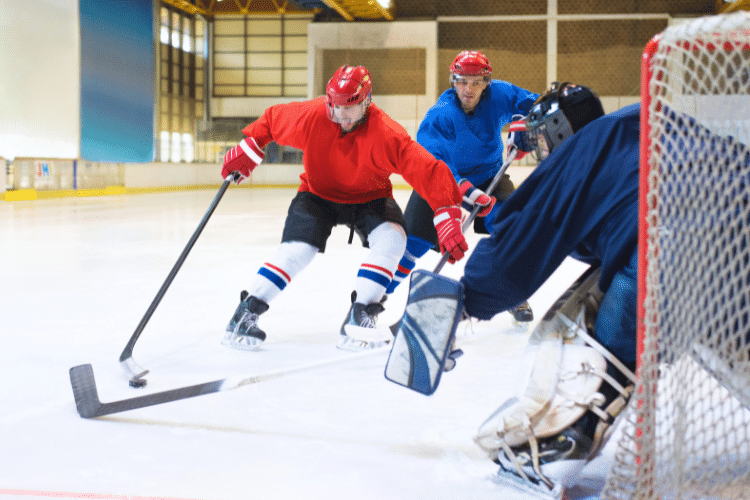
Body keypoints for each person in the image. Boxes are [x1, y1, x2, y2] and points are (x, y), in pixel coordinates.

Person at [219, 65, 493, 352]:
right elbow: (273, 120)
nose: (342, 115)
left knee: (393, 239)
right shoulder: (312, 115)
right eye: (335, 106)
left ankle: (360, 315)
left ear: (366, 102)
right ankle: (245, 312)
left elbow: (427, 170)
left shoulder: (386, 132)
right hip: (317, 194)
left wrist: (446, 210)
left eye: (350, 107)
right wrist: (251, 144)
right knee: (297, 251)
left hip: (369, 198)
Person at [455, 82, 640, 495]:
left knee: (592, 323)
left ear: (559, 128)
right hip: (733, 249)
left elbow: (517, 253)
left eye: (541, 134)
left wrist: (464, 300)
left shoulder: (584, 149)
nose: (538, 146)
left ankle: (557, 449)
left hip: (670, 251)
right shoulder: (635, 122)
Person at [386, 50, 539, 324]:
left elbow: (536, 106)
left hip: (489, 176)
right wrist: (465, 190)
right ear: (452, 81)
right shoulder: (440, 115)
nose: (468, 89)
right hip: (441, 180)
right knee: (413, 243)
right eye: (462, 81)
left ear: (486, 83)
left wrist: (526, 127)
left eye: (476, 82)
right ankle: (376, 298)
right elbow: (434, 162)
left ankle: (513, 295)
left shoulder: (500, 95)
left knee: (512, 227)